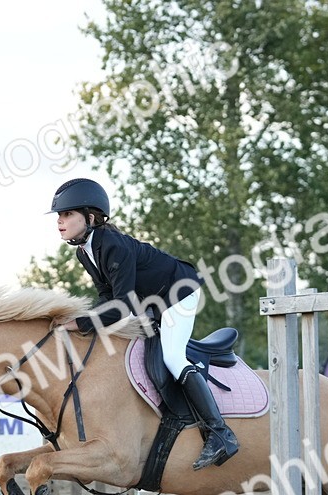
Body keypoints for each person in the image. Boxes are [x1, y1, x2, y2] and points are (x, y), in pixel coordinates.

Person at [49, 177, 239, 470]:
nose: (60, 221)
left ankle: (220, 434)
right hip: (152, 303)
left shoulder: (113, 244)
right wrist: (81, 318)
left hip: (179, 293)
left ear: (90, 217)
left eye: (67, 214)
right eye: (59, 216)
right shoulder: (84, 252)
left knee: (173, 357)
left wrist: (82, 323)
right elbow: (107, 296)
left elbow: (122, 307)